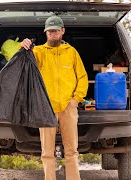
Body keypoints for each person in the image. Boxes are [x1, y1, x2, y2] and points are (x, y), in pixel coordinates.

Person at [21, 16, 88, 180]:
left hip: (68, 107)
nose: (53, 34)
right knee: (47, 152)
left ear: (62, 31)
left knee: (71, 150)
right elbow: (23, 59)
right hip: (46, 108)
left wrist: (75, 100)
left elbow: (82, 78)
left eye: (56, 31)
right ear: (46, 33)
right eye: (50, 32)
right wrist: (22, 45)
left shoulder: (71, 53)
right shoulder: (39, 52)